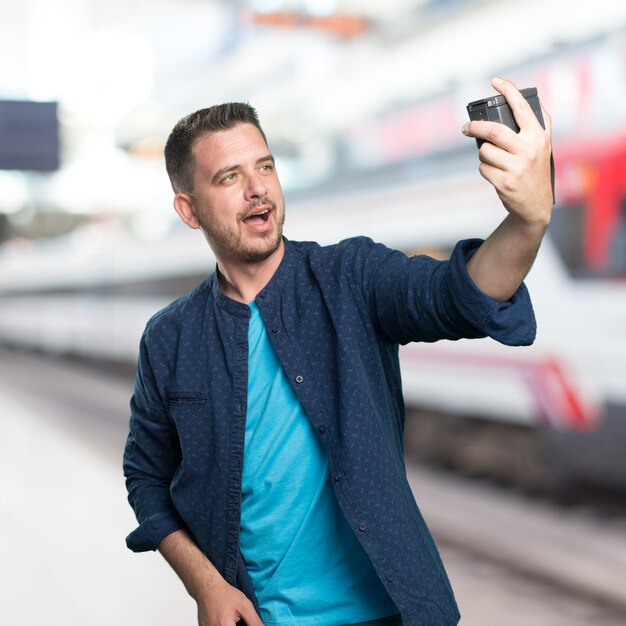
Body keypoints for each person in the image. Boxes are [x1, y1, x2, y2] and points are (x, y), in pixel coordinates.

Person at [123, 77, 553, 626]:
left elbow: (455, 295)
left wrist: (526, 221)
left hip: (390, 614)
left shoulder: (351, 277)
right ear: (189, 210)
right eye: (230, 177)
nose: (258, 189)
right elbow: (145, 477)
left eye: (266, 166)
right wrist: (205, 584)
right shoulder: (170, 338)